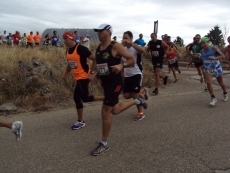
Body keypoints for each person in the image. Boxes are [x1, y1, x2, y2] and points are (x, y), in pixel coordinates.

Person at [91, 24, 147, 156]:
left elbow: (131, 59)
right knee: (115, 110)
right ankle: (137, 100)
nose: (99, 33)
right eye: (97, 32)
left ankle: (104, 143)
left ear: (109, 32)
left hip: (115, 83)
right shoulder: (99, 48)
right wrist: (95, 74)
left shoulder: (115, 46)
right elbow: (101, 64)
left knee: (105, 111)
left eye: (101, 31)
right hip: (105, 83)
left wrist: (122, 65)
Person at [62, 31, 104, 130]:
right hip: (78, 77)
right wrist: (66, 72)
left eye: (65, 39)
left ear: (71, 38)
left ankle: (80, 121)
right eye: (63, 39)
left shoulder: (81, 49)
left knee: (77, 97)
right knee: (85, 98)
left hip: (84, 77)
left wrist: (91, 73)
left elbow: (95, 59)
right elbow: (70, 63)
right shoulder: (67, 51)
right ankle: (106, 98)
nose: (64, 41)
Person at [122, 31, 148, 121]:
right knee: (126, 95)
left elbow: (143, 51)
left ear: (131, 38)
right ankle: (143, 91)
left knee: (135, 95)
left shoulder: (136, 47)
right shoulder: (122, 49)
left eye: (126, 38)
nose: (124, 40)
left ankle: (140, 113)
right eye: (123, 38)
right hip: (127, 75)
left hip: (137, 73)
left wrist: (131, 44)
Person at [200, 37, 228, 106]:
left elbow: (223, 56)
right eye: (202, 43)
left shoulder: (214, 49)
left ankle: (225, 93)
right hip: (209, 69)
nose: (203, 44)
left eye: (204, 43)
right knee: (209, 82)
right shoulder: (202, 51)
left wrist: (215, 58)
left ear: (208, 42)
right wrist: (204, 64)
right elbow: (204, 58)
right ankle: (213, 97)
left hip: (217, 68)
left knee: (221, 83)